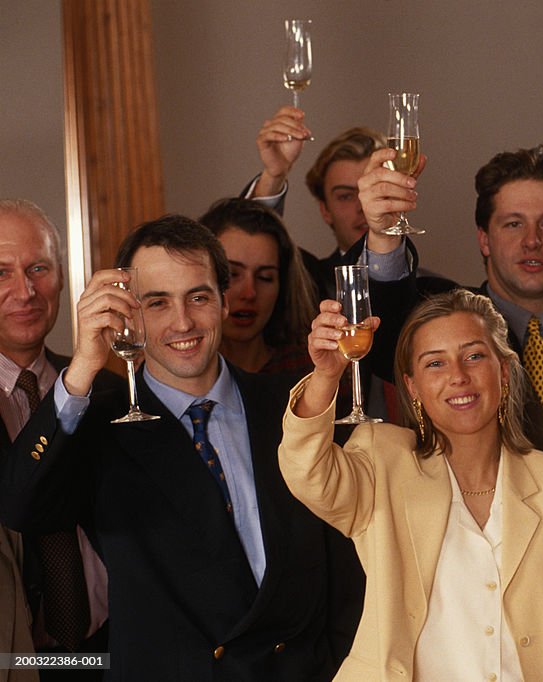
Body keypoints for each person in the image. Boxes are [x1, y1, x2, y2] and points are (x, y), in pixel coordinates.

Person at [0, 215, 362, 681]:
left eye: (198, 297)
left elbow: (347, 571)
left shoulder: (294, 405)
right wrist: (86, 363)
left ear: (225, 302)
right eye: (157, 302)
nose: (182, 322)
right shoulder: (97, 423)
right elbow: (21, 507)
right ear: (129, 312)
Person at [279, 288, 543, 680]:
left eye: (474, 356)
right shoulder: (383, 460)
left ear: (503, 371)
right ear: (412, 388)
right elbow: (306, 472)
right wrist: (326, 375)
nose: (458, 376)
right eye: (435, 364)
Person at [351, 145, 543, 467]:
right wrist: (384, 232)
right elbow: (384, 322)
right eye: (514, 224)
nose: (532, 240)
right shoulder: (438, 322)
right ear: (484, 239)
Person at [0, 199, 113, 682]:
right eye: (0, 272)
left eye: (38, 268)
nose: (24, 291)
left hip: (115, 650)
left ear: (64, 277)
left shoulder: (111, 393)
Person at [241, 106, 387, 299]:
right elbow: (245, 250)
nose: (362, 206)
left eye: (372, 191)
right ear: (325, 210)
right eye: (345, 196)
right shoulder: (305, 283)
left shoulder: (431, 289)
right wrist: (274, 175)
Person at [198, 197, 317, 375]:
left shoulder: (310, 369)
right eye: (232, 274)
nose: (249, 293)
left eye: (265, 277)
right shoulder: (181, 373)